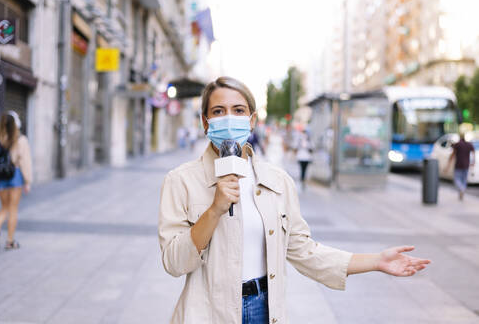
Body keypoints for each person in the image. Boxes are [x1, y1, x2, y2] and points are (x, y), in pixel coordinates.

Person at [158, 77, 431, 324]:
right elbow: (174, 262)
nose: (229, 118)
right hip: (206, 312)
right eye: (219, 111)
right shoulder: (181, 181)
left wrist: (376, 261)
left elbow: (304, 251)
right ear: (205, 122)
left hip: (264, 309)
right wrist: (214, 210)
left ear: (252, 120)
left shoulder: (277, 181)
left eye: (238, 110)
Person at [0, 111, 32, 250]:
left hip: (0, 176)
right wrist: (28, 181)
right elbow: (25, 162)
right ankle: (10, 241)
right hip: (15, 176)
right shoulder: (21, 139)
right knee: (12, 209)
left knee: (4, 207)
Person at [446, 132, 475, 200]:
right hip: (466, 165)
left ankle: (461, 189)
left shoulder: (457, 144)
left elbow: (452, 155)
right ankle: (462, 190)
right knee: (464, 180)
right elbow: (473, 153)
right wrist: (473, 162)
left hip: (458, 165)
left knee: (457, 179)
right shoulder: (469, 144)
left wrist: (448, 165)